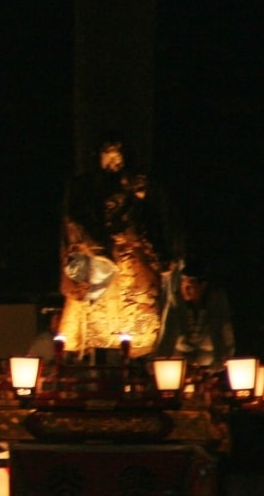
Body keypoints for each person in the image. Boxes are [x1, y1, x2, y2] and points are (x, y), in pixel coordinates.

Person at [57, 133, 182, 357]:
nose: (113, 163)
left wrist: (160, 251)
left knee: (138, 319)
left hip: (134, 258)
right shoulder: (85, 186)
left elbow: (156, 218)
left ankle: (137, 361)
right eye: (108, 157)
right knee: (96, 313)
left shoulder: (139, 185)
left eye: (118, 157)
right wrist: (95, 245)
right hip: (101, 257)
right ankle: (96, 357)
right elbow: (74, 218)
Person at [156, 268, 235, 367]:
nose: (186, 289)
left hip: (209, 359)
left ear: (202, 286)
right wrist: (160, 363)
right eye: (183, 284)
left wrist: (221, 362)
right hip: (182, 358)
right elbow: (168, 335)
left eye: (190, 285)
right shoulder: (176, 302)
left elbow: (222, 332)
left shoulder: (215, 301)